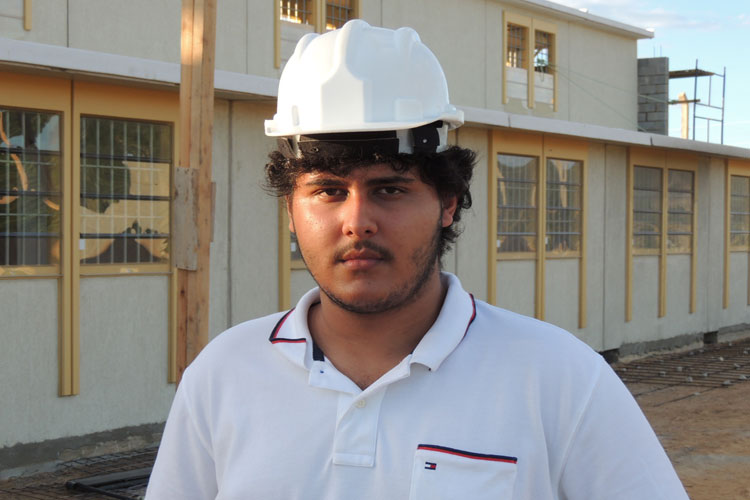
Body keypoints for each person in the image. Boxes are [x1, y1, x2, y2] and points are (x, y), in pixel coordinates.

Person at [146, 20, 688, 499]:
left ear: (448, 202)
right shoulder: (223, 376)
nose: (357, 221)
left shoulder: (560, 379)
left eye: (390, 189)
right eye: (328, 191)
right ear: (291, 209)